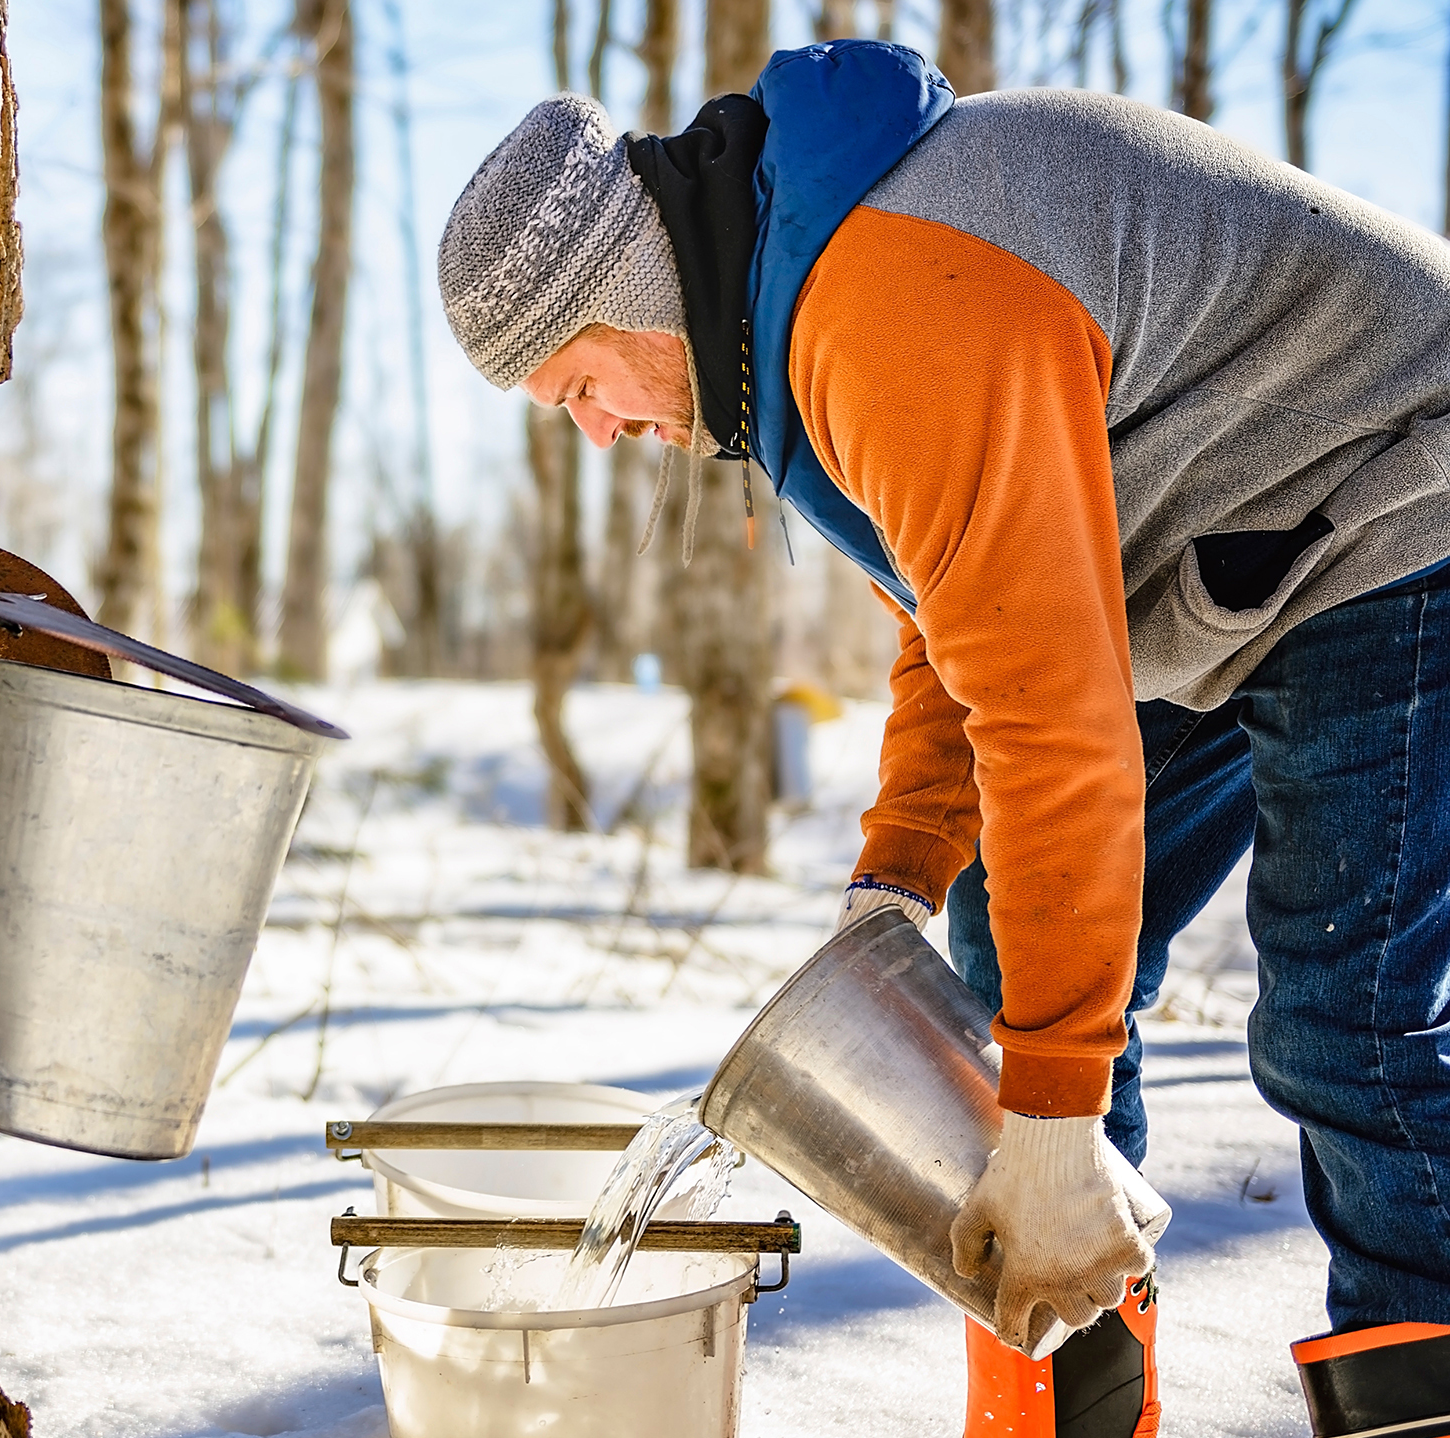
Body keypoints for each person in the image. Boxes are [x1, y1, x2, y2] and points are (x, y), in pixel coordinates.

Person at [436, 38, 1450, 1438]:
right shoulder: (797, 317)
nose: (599, 432)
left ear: (628, 291)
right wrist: (895, 879)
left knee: (1347, 1019)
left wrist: (1049, 1113)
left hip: (1392, 483)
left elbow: (1047, 719)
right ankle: (1068, 1407)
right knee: (997, 967)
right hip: (1208, 553)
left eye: (576, 387)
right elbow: (958, 629)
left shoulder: (888, 306)